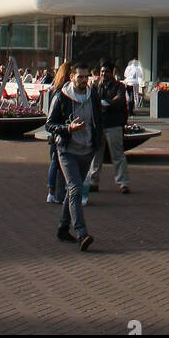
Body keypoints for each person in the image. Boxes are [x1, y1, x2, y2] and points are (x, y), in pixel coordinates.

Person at [45, 61, 103, 250]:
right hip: (67, 150)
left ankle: (63, 228)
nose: (84, 80)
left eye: (86, 77)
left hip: (87, 150)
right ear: (72, 77)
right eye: (80, 77)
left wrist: (97, 141)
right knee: (76, 188)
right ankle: (81, 233)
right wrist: (68, 128)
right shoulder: (61, 96)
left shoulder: (92, 95)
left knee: (72, 191)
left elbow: (97, 119)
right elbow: (49, 124)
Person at [85, 60, 130, 194]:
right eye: (102, 71)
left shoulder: (119, 86)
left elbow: (120, 100)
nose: (104, 74)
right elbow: (91, 102)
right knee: (96, 155)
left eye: (107, 72)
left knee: (117, 154)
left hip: (114, 125)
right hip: (99, 125)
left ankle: (123, 183)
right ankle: (93, 181)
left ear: (112, 73)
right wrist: (108, 103)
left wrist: (105, 103)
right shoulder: (95, 86)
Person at [45, 61, 71, 204]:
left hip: (55, 131)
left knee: (54, 162)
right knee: (59, 163)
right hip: (60, 131)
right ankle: (56, 193)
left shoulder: (54, 89)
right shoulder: (64, 92)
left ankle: (51, 191)